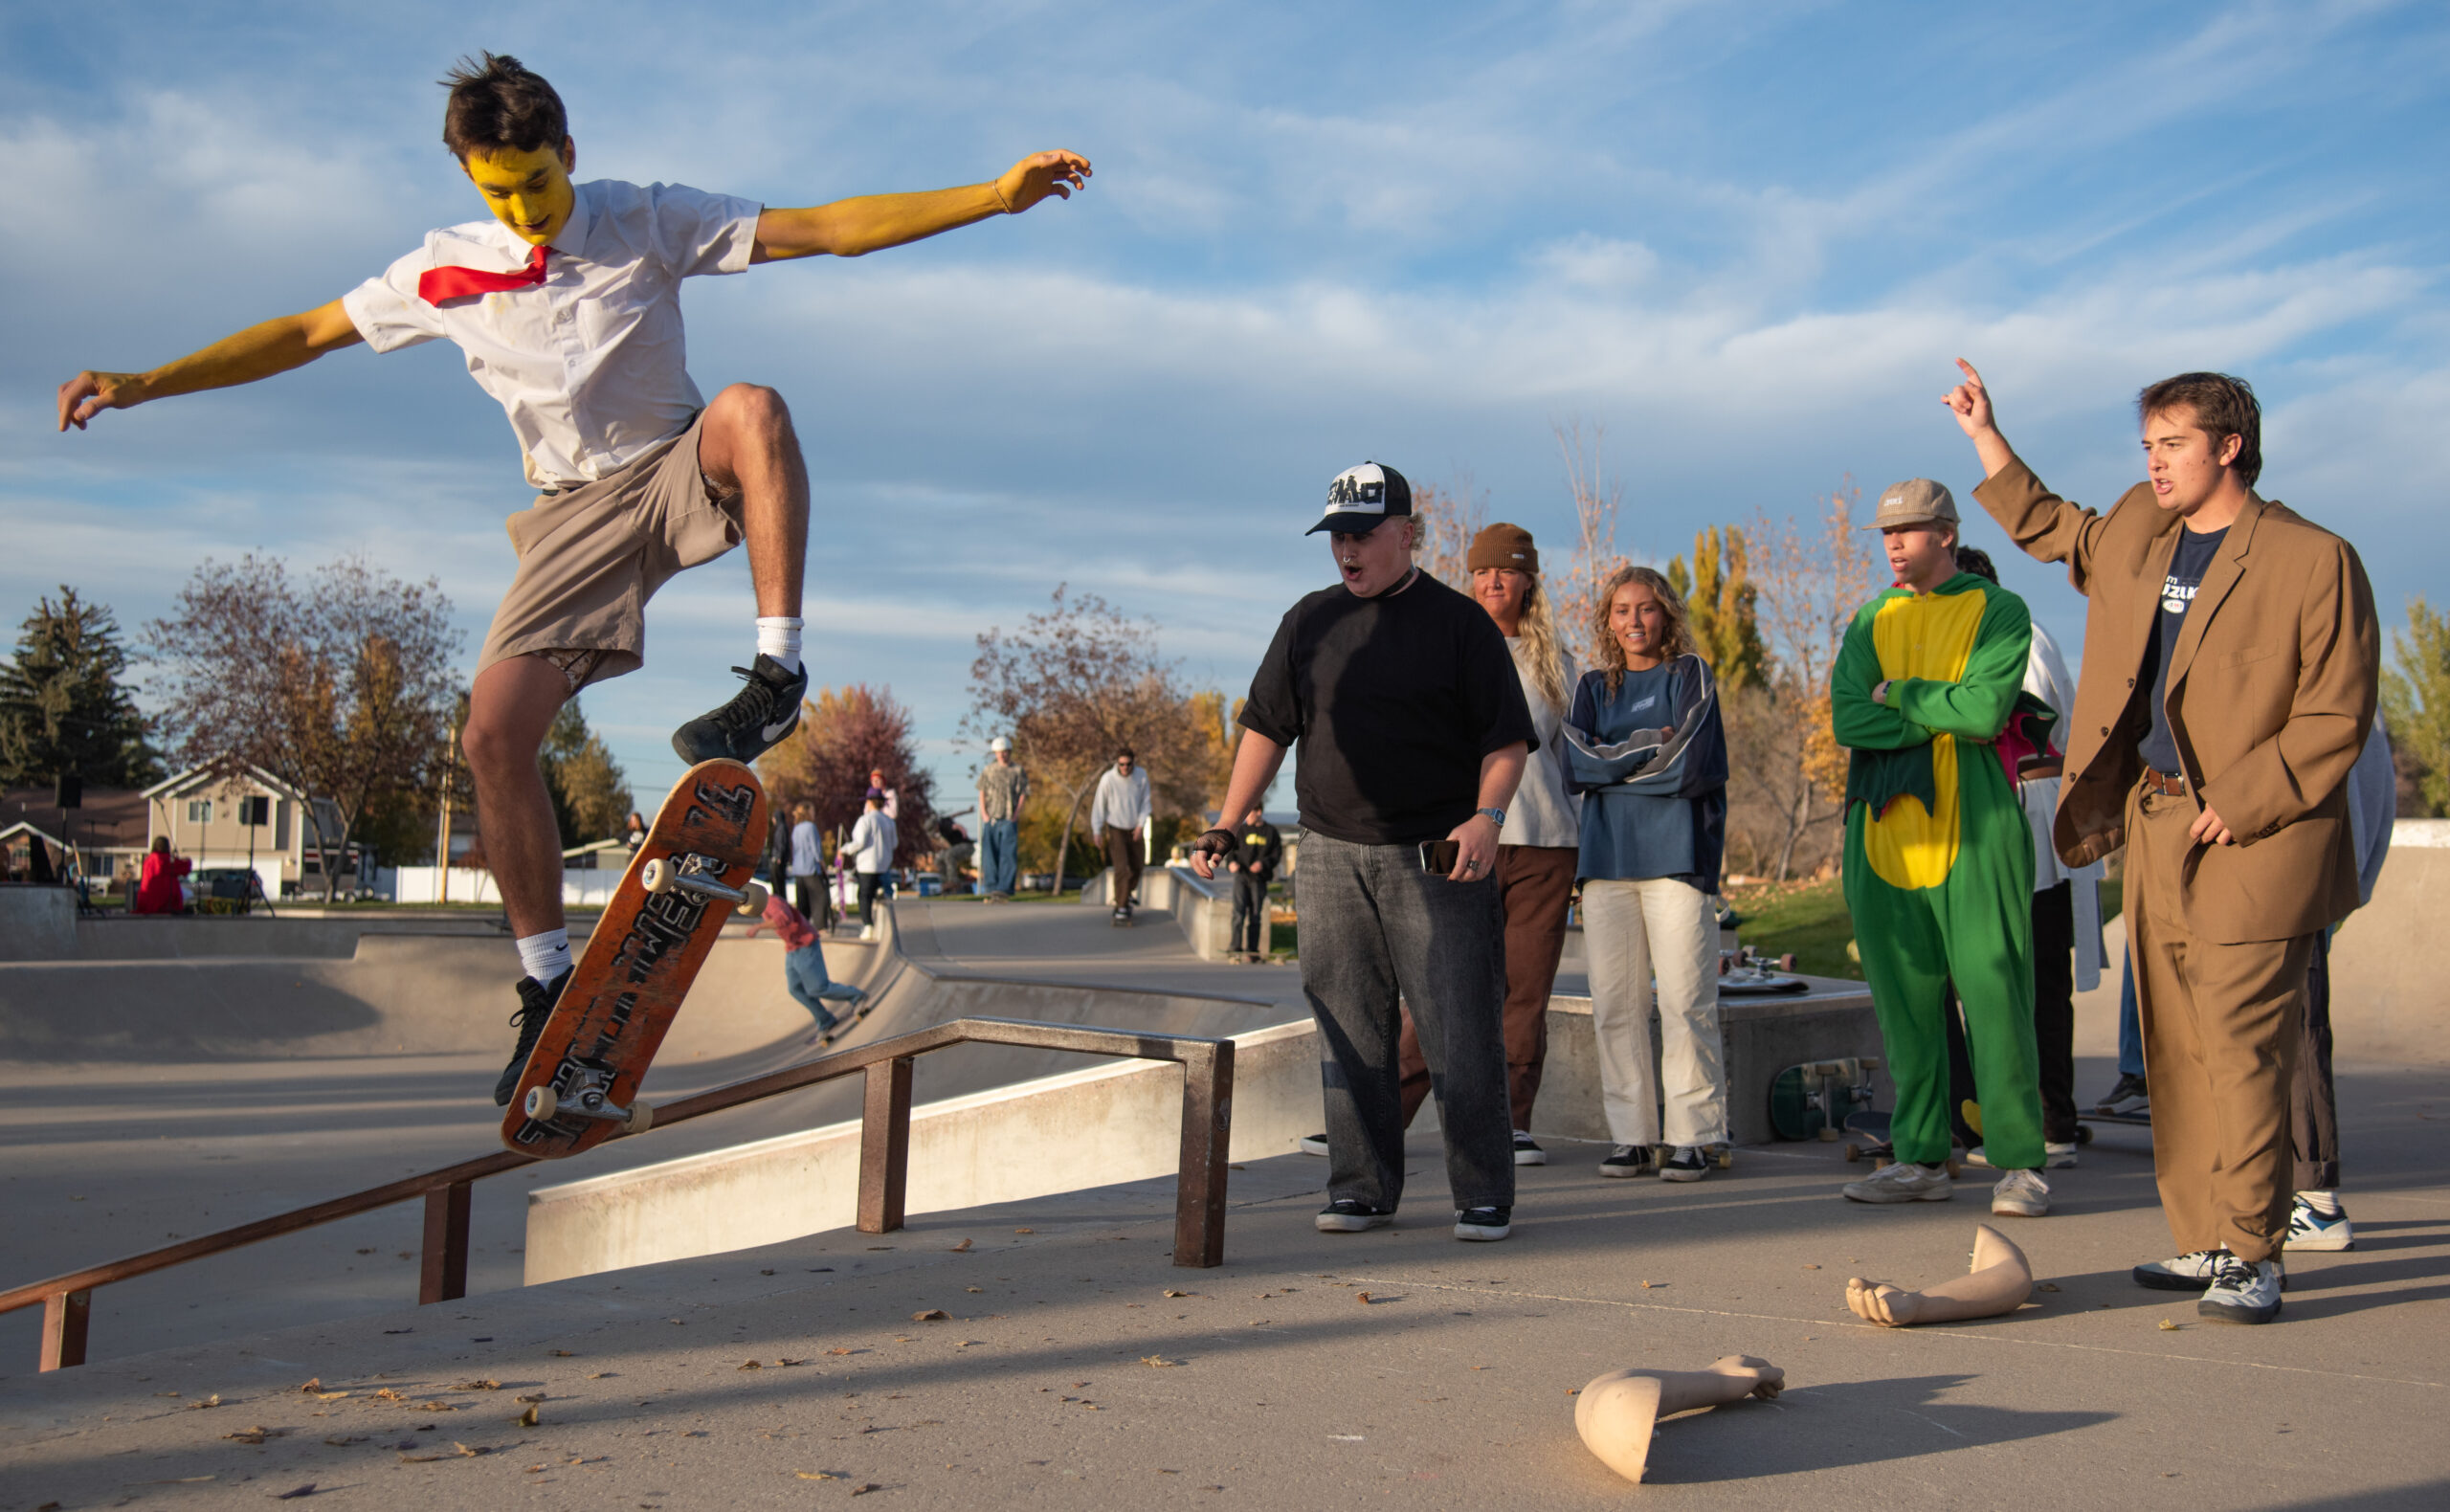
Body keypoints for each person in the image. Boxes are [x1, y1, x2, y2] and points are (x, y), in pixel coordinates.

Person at [55, 55, 1089, 1106]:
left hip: (678, 468)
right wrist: (146, 383)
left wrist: (991, 198)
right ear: (469, 176)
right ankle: (548, 982)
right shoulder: (441, 270)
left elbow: (822, 228)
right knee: (491, 734)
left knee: (755, 408)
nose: (524, 211)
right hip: (566, 519)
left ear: (571, 155)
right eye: (497, 191)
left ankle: (776, 674)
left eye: (538, 186)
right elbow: (303, 333)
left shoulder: (645, 217)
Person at [1946, 361, 2377, 1323]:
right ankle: (2205, 1239)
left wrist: (2249, 793)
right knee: (2176, 1049)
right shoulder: (2144, 525)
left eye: (2172, 443)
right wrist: (1986, 435)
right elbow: (2054, 524)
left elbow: (2335, 710)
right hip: (2152, 818)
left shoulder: (2314, 558)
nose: (2154, 463)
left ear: (2229, 446)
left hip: (2259, 833)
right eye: (2147, 446)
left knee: (2242, 1047)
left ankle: (2255, 1250)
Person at [1189, 460, 1534, 1242]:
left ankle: (1482, 1192)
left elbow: (1506, 740)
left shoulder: (1459, 624)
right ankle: (1362, 1188)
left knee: (1458, 1023)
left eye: (1363, 535)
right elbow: (1266, 728)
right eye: (1337, 536)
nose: (1347, 550)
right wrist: (1229, 819)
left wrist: (1486, 817)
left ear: (1406, 533)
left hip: (1435, 856)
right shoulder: (1308, 621)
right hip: (1330, 853)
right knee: (1349, 1024)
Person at [1832, 478, 2056, 1220]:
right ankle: (1921, 1155)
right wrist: (1938, 708)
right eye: (1887, 533)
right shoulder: (1869, 619)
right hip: (1882, 832)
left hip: (1978, 831)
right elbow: (1848, 719)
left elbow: (1989, 707)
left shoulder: (1999, 610)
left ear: (1948, 534)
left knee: (1996, 997)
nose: (1896, 544)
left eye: (1913, 530)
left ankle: (2021, 1164)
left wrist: (1898, 695)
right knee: (1904, 1007)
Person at [1566, 566, 1729, 1182]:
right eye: (1621, 611)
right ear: (1608, 621)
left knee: (1687, 1001)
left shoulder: (1691, 674)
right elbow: (1574, 763)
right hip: (1606, 863)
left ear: (1666, 613)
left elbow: (1689, 762)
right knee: (1615, 1006)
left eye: (1647, 609)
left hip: (1677, 860)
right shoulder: (1589, 686)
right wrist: (1646, 745)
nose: (1634, 622)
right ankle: (1632, 1136)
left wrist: (1614, 759)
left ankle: (1694, 1136)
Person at [1948, 545, 2105, 1172]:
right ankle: (2017, 1116)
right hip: (1989, 819)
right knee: (2002, 978)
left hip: (2029, 821)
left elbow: (2034, 730)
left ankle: (2049, 1122)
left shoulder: (2022, 639)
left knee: (2034, 979)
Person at [2285, 718, 2394, 1253]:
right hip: (2320, 881)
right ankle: (2295, 1194)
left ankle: (2316, 1204)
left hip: (2293, 880)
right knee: (2292, 1036)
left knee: (2298, 1035)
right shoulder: (2359, 705)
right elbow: (2381, 798)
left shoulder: (2322, 693)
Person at [742, 888, 865, 1043]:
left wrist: (758, 927)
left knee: (817, 988)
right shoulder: (765, 906)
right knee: (795, 989)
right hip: (792, 949)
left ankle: (856, 996)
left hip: (805, 945)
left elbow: (784, 918)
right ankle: (825, 1019)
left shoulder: (771, 902)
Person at [1089, 748, 1151, 921]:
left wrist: (1140, 825)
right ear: (1117, 763)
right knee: (1121, 868)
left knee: (1138, 866)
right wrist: (1097, 830)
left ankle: (1127, 892)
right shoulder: (1108, 779)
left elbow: (1146, 803)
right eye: (1121, 764)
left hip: (1135, 828)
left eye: (1128, 764)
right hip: (1116, 828)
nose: (1125, 768)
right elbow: (1099, 805)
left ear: (1134, 762)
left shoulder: (1141, 776)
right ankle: (1121, 906)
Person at [1227, 806, 1282, 962]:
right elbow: (1231, 851)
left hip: (1259, 879)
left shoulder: (1271, 832)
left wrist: (1263, 864)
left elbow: (1276, 855)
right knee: (1238, 913)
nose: (1247, 818)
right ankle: (1235, 947)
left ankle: (1252, 951)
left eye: (1249, 814)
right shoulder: (1241, 830)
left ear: (1259, 812)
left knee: (1256, 916)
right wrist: (1231, 863)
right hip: (1241, 876)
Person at [976, 737, 1028, 901]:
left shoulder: (1017, 770)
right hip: (991, 818)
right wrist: (984, 814)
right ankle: (991, 887)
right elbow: (982, 792)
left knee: (1008, 854)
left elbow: (1023, 793)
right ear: (995, 753)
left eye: (1005, 752)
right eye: (999, 752)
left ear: (1009, 752)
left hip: (1008, 818)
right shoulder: (989, 770)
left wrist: (1016, 814)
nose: (1002, 755)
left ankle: (1004, 888)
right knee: (989, 855)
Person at [846, 793, 898, 940]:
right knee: (886, 897)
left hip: (867, 865)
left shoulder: (865, 820)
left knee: (864, 896)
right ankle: (888, 927)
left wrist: (844, 850)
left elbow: (859, 842)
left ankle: (868, 926)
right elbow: (894, 843)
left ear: (869, 802)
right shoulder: (889, 822)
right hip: (885, 864)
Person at [133, 835, 189, 916]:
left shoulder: (149, 859)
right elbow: (183, 868)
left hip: (148, 897)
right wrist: (186, 860)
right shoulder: (165, 859)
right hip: (165, 899)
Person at [785, 802, 822, 921]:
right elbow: (816, 849)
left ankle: (802, 922)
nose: (814, 813)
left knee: (802, 899)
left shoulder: (796, 828)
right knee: (819, 896)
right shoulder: (811, 827)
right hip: (810, 867)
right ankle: (819, 924)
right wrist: (821, 862)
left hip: (798, 868)